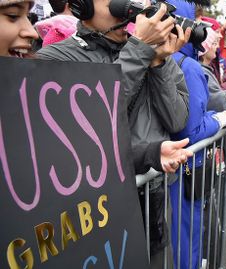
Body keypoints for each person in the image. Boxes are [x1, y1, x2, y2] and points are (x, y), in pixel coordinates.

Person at [36, 0, 193, 266]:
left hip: (152, 193)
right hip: (96, 204)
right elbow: (92, 122)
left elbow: (177, 119)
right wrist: (139, 51)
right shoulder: (55, 58)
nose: (128, 8)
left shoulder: (148, 53)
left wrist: (159, 63)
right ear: (81, 5)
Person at [167, 1, 226, 268]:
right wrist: (222, 117)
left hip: (168, 172)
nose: (202, 29)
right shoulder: (189, 66)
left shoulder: (164, 58)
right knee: (186, 239)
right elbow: (191, 132)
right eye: (197, 22)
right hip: (185, 171)